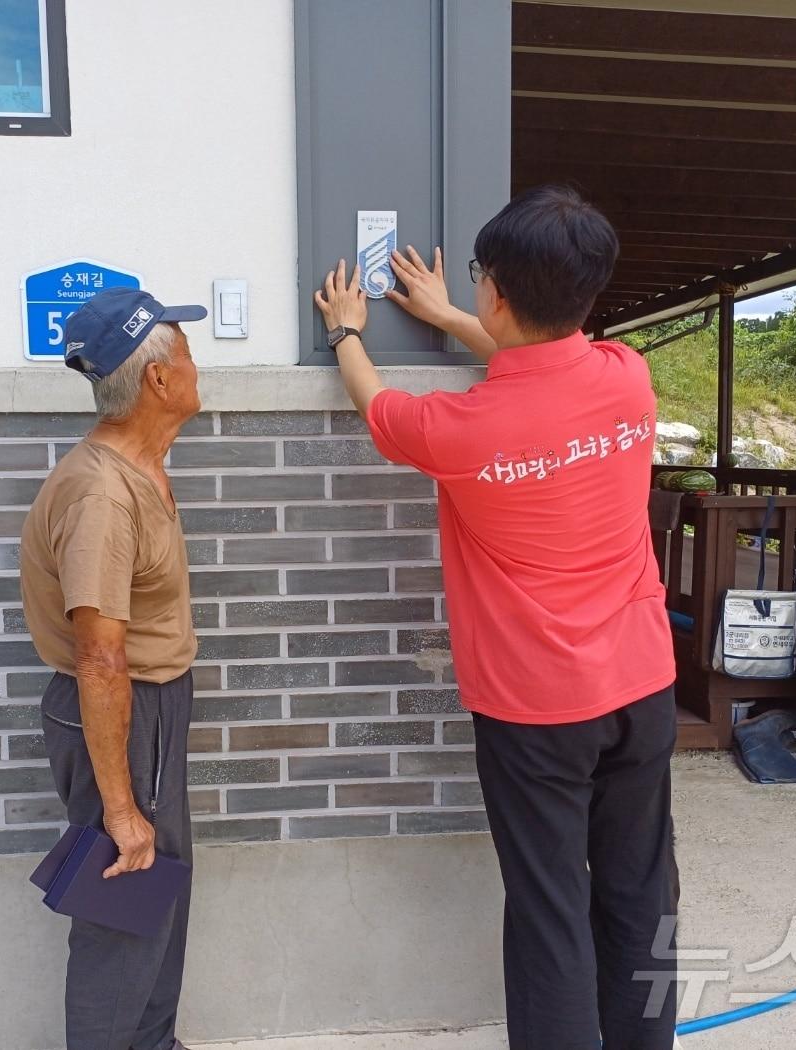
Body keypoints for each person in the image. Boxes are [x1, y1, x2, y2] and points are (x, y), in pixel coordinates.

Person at [313, 185, 679, 1050]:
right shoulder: (630, 381)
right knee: (640, 892)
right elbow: (544, 365)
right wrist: (453, 315)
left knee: (551, 909)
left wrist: (345, 331)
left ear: (498, 292)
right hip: (644, 688)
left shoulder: (461, 429)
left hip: (536, 708)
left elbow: (375, 405)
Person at [19, 286, 206, 1050]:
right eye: (186, 352)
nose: (197, 366)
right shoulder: (102, 493)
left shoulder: (141, 465)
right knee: (124, 902)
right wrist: (121, 806)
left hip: (150, 709)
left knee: (159, 894)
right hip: (121, 711)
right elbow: (99, 657)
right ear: (159, 380)